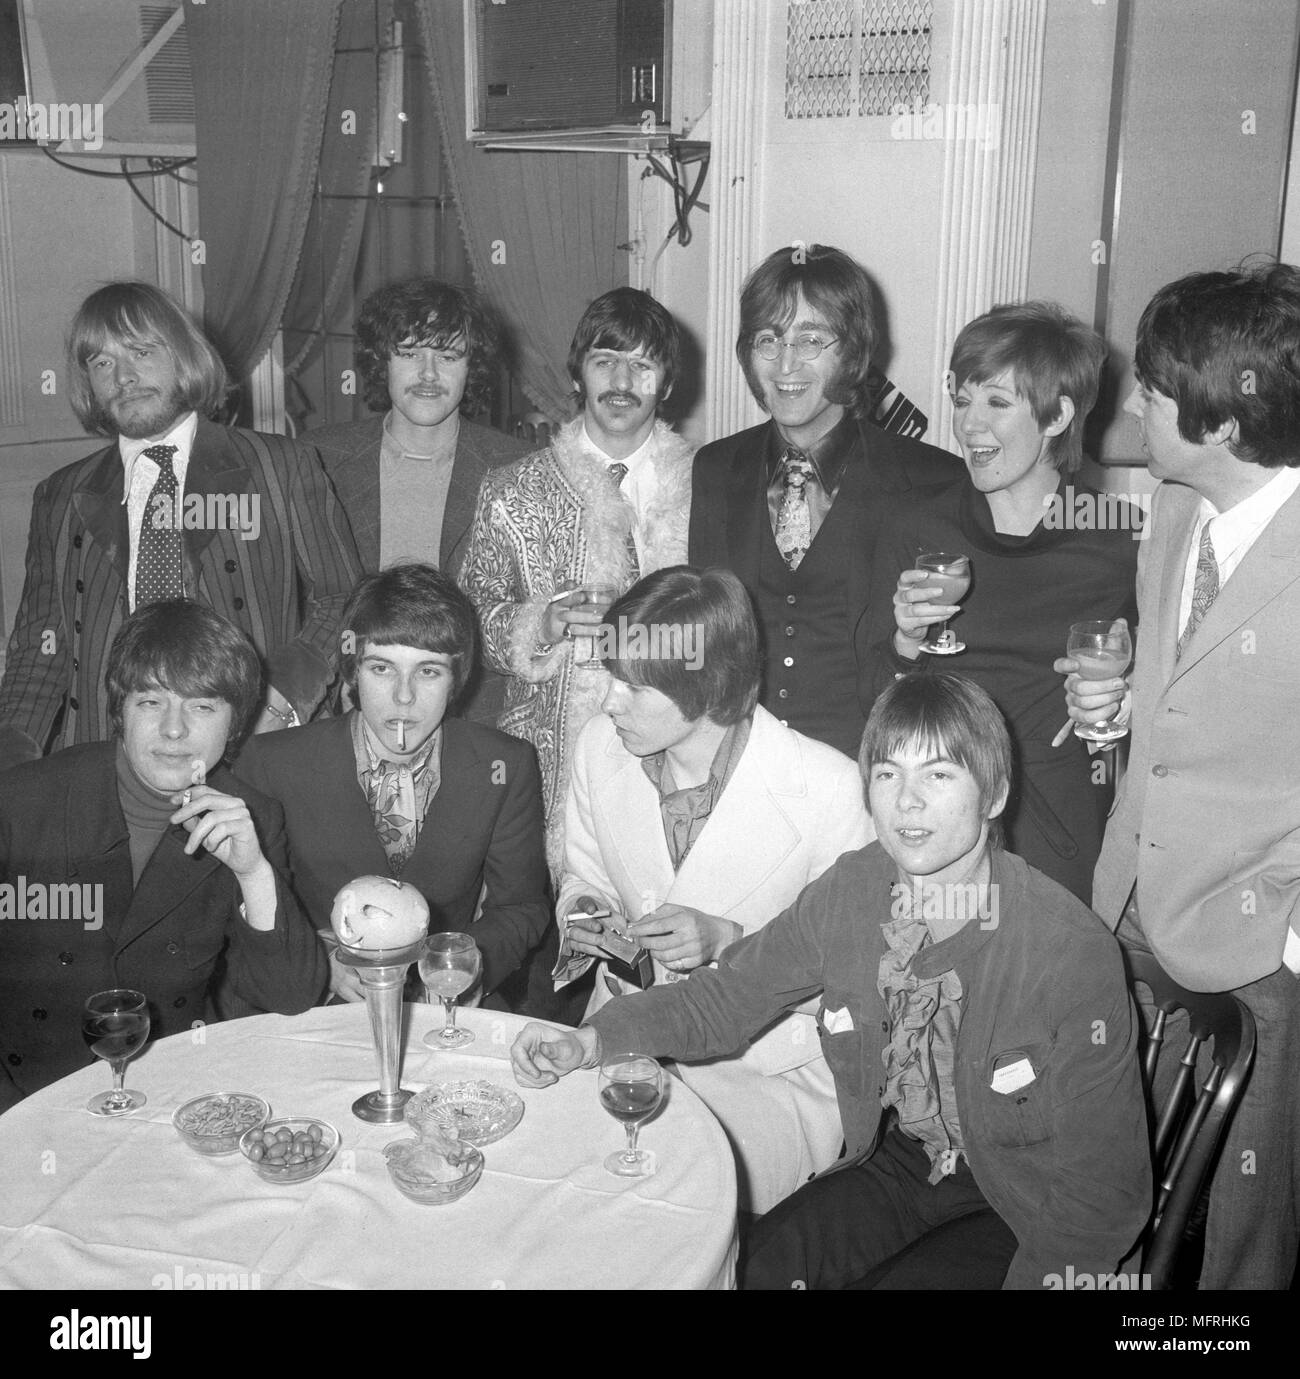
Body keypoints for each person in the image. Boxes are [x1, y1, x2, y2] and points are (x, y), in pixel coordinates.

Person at [512, 673, 1151, 1290]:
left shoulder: (1068, 952)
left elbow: (1103, 1195)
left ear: (994, 795)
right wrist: (594, 1040)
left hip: (1021, 1202)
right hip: (898, 1164)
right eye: (887, 774)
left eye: (939, 774)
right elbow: (727, 997)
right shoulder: (855, 889)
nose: (908, 801)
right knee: (747, 1273)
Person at [1061, 262, 1300, 1290]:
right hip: (1128, 899)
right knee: (1111, 1169)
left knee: (1242, 1231)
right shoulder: (1168, 505)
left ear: (1223, 422)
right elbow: (1181, 680)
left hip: (1256, 937)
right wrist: (1116, 711)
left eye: (1154, 389)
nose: (1132, 402)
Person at [554, 566, 873, 1212]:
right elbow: (584, 869)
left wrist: (731, 943)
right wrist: (586, 908)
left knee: (672, 1205)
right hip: (621, 1038)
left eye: (635, 688)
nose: (609, 702)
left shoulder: (829, 789)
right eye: (612, 677)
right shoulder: (598, 748)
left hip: (761, 1073)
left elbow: (858, 980)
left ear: (710, 689)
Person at [0, 282, 362, 771]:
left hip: (249, 748)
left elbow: (343, 599)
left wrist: (279, 699)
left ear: (185, 356)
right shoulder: (61, 495)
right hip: (105, 765)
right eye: (101, 362)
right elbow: (39, 647)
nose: (123, 376)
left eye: (141, 351)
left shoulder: (282, 467)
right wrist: (13, 756)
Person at [0, 600, 327, 1112]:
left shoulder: (252, 817)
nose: (175, 730)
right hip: (28, 1096)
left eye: (202, 706)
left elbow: (290, 996)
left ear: (234, 723)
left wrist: (253, 873)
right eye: (151, 702)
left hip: (171, 1095)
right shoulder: (22, 800)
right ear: (120, 711)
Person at [864, 302, 1139, 901]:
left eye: (996, 402)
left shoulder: (1120, 538)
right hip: (937, 824)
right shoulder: (917, 526)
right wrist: (904, 643)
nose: (967, 425)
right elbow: (874, 702)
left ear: (1057, 415)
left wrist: (1114, 709)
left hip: (1064, 833)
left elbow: (1138, 728)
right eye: (962, 401)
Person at [688, 244, 960, 760]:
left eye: (811, 339)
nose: (786, 363)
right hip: (743, 772)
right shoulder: (716, 470)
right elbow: (704, 641)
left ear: (853, 351)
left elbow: (945, 662)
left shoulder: (932, 479)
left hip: (872, 773)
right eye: (768, 340)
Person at [235, 563, 550, 1009]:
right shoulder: (272, 763)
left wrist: (460, 968)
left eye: (428, 672)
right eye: (382, 668)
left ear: (456, 680)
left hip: (444, 1005)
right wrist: (321, 961)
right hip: (312, 1007)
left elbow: (520, 909)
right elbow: (247, 907)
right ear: (352, 672)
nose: (404, 696)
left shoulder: (505, 765)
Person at [460, 286, 695, 861]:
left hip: (679, 745)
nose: (621, 382)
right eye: (604, 361)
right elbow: (465, 621)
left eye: (642, 365)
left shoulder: (708, 489)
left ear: (665, 384)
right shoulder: (512, 491)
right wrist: (542, 623)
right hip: (548, 762)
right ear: (577, 376)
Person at [306, 278, 527, 721]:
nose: (428, 374)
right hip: (344, 714)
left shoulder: (518, 469)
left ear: (472, 367)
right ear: (381, 361)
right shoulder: (316, 460)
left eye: (448, 356)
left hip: (475, 720)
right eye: (409, 353)